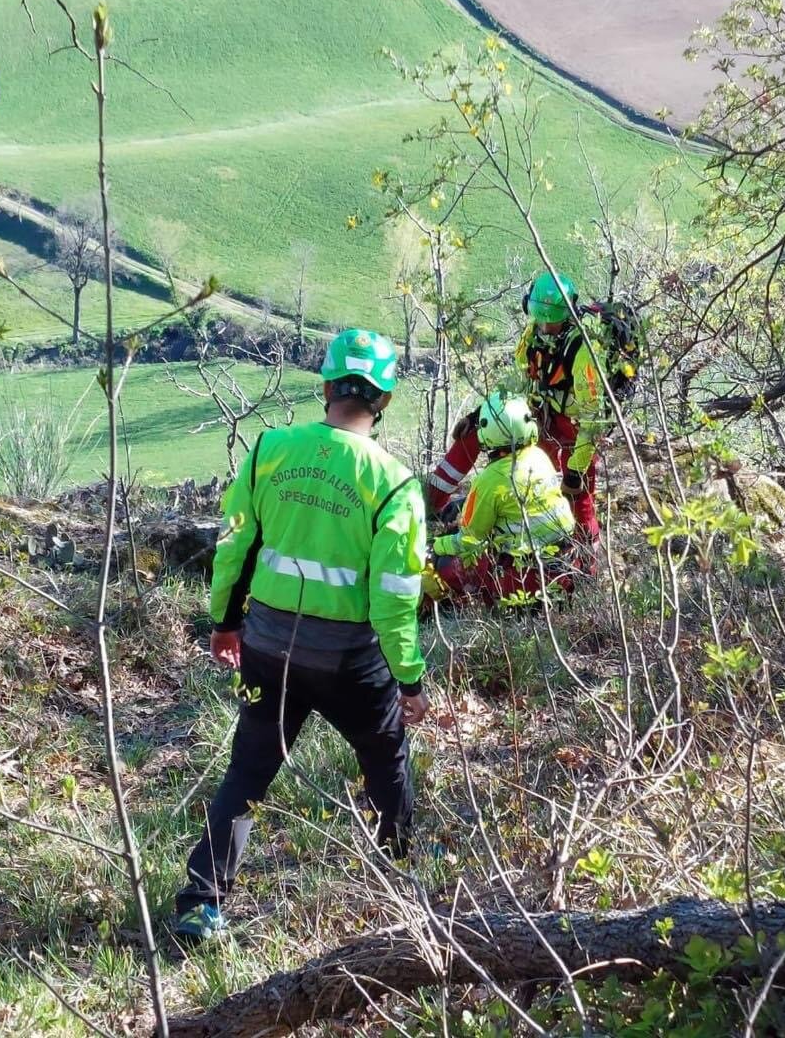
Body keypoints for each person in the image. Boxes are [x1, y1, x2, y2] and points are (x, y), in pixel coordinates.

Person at [174, 328, 429, 942]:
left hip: (267, 649)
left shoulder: (269, 450)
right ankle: (400, 870)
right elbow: (396, 599)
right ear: (385, 400)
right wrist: (410, 679)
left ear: (324, 387)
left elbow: (235, 547)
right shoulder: (394, 483)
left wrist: (224, 623)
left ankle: (201, 903)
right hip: (351, 661)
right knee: (385, 756)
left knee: (249, 771)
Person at [425, 271, 608, 546]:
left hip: (575, 425)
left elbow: (594, 419)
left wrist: (575, 470)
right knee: (475, 433)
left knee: (579, 492)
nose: (545, 327)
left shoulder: (583, 351)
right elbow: (515, 381)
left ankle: (587, 562)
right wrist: (480, 415)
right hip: (539, 414)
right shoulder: (533, 333)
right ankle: (431, 504)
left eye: (552, 322)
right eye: (541, 318)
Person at [429, 393, 577, 607]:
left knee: (446, 563)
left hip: (523, 582)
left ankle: (460, 607)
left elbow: (469, 542)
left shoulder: (489, 480)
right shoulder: (540, 457)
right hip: (563, 570)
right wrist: (465, 502)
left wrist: (437, 546)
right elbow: (516, 499)